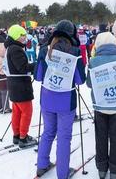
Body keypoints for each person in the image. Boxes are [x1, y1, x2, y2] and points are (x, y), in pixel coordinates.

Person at [34, 20, 85, 179]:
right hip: (65, 101)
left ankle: (42, 165)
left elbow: (38, 76)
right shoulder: (75, 51)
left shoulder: (44, 50)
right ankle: (62, 174)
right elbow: (80, 80)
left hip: (47, 99)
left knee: (48, 132)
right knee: (64, 137)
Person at [87, 32, 116, 179]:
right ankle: (115, 169)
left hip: (100, 106)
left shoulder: (93, 61)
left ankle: (101, 168)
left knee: (101, 137)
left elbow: (89, 84)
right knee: (115, 138)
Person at [4, 24, 36, 148]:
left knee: (17, 112)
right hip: (20, 85)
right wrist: (36, 66)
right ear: (17, 36)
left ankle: (17, 135)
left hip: (14, 85)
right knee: (26, 112)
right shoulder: (15, 49)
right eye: (22, 35)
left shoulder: (11, 47)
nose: (25, 37)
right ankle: (23, 137)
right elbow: (22, 68)